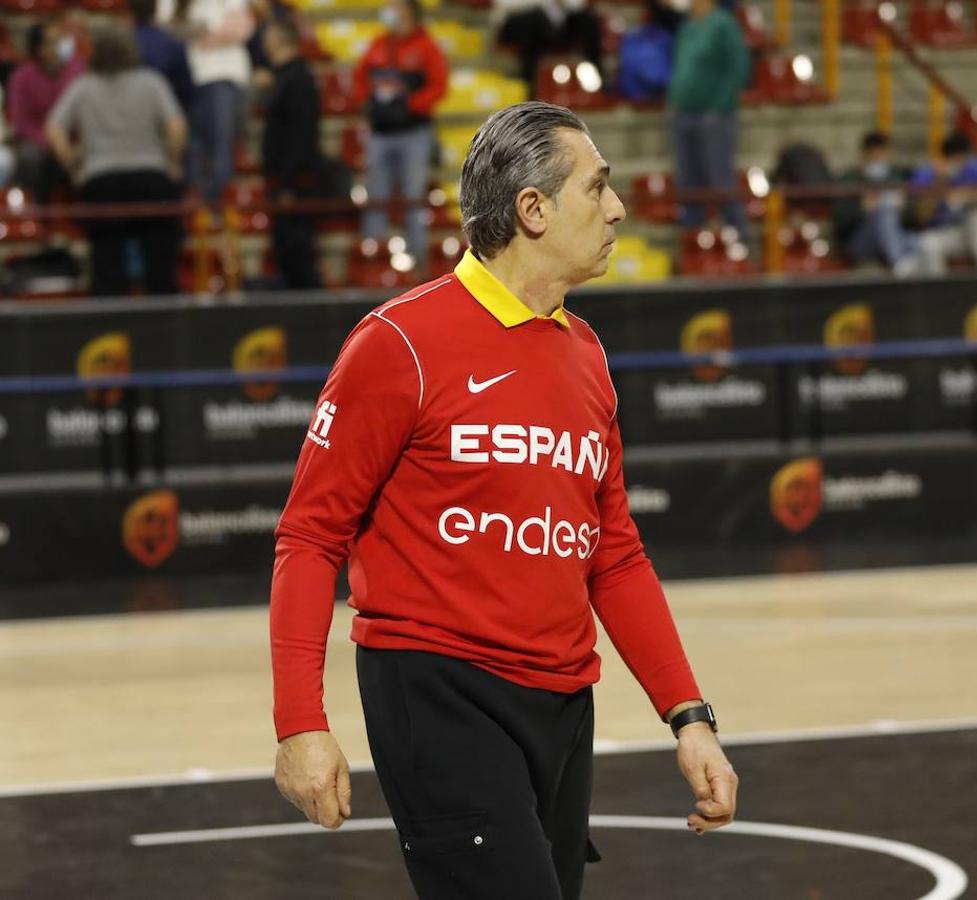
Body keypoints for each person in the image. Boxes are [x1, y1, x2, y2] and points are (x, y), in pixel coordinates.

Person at [269, 101, 738, 899]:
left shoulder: (585, 352)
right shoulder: (399, 343)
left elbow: (613, 551)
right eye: (598, 188)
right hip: (437, 692)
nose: (618, 209)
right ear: (533, 209)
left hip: (562, 705)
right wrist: (300, 724)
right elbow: (310, 537)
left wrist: (688, 716)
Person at [45, 26, 187, 297]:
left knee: (107, 271)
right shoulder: (151, 81)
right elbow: (177, 126)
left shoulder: (83, 86)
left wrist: (74, 169)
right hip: (151, 179)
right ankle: (169, 333)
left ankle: (108, 331)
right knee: (161, 272)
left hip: (101, 182)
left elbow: (54, 129)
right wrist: (173, 163)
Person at [352, 0, 449, 272]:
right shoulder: (379, 44)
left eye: (395, 7)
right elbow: (360, 77)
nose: (389, 12)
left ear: (410, 13)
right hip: (380, 134)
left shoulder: (427, 47)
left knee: (413, 200)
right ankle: (374, 264)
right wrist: (368, 103)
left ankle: (418, 268)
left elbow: (439, 86)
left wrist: (409, 105)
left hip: (413, 133)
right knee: (376, 200)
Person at [667, 0, 749, 235]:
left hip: (714, 117)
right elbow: (681, 67)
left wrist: (718, 107)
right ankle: (693, 245)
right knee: (688, 185)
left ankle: (740, 242)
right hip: (684, 115)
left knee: (720, 182)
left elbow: (737, 69)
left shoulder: (724, 24)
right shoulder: (687, 26)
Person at [259, 18, 322, 289]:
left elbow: (299, 136)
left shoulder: (298, 79)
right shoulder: (285, 77)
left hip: (294, 185)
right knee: (286, 254)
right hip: (285, 182)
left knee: (296, 253)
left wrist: (288, 182)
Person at [180, 0, 254, 207]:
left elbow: (241, 28)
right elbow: (172, 26)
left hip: (225, 77)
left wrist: (204, 34)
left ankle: (215, 204)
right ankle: (199, 205)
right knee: (195, 145)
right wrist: (211, 33)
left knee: (221, 143)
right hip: (189, 75)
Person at [7, 19, 85, 203]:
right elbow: (22, 124)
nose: (60, 46)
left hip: (75, 141)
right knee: (30, 157)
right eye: (53, 41)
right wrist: (54, 144)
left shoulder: (79, 71)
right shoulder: (21, 78)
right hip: (40, 143)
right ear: (38, 49)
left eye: (61, 40)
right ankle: (37, 213)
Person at [906, 130, 977, 275]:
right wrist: (939, 182)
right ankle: (940, 292)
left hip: (967, 233)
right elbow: (922, 217)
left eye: (964, 159)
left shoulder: (973, 167)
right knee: (928, 244)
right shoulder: (927, 173)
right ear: (946, 158)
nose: (961, 163)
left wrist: (965, 195)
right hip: (941, 233)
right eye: (957, 159)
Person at [831, 131, 920, 275]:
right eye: (873, 155)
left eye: (880, 155)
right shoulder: (849, 179)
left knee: (924, 242)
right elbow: (839, 220)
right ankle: (898, 262)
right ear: (863, 155)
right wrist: (862, 207)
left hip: (894, 236)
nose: (877, 160)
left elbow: (914, 218)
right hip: (860, 241)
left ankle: (900, 260)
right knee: (883, 211)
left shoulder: (897, 178)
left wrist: (902, 208)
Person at [495, 0, 604, 91]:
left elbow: (578, 5)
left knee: (588, 21)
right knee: (529, 24)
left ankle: (598, 81)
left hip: (563, 28)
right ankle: (527, 87)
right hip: (531, 29)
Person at [129, 0, 195, 113]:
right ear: (156, 10)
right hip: (166, 115)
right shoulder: (173, 45)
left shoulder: (119, 45)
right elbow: (187, 92)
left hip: (128, 113)